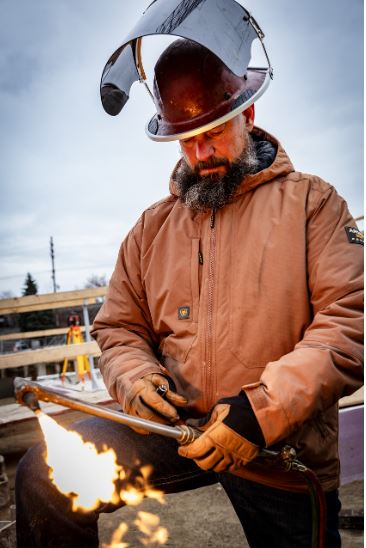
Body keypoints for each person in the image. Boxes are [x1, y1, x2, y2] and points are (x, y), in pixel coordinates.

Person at [16, 12, 363, 548]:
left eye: (215, 132)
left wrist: (259, 414)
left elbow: (349, 324)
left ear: (249, 111)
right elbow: (119, 329)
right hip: (172, 432)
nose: (201, 154)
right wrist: (136, 382)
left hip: (274, 447)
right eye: (186, 140)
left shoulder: (313, 205)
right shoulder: (151, 230)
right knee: (44, 475)